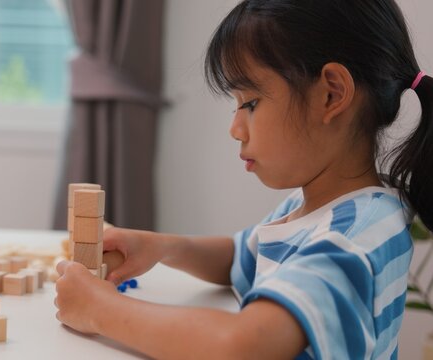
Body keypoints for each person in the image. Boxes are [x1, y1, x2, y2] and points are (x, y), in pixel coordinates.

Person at [54, 1, 433, 358]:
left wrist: (99, 309)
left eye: (250, 103)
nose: (236, 129)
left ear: (331, 94)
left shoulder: (353, 236)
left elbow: (241, 345)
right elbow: (241, 256)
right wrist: (158, 247)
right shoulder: (317, 210)